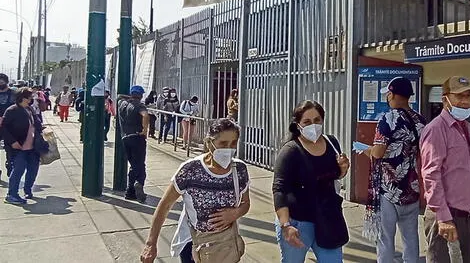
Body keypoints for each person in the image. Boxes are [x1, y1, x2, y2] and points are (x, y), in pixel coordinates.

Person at [140, 118, 251, 263]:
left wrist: (235, 213)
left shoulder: (239, 169)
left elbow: (246, 203)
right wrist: (151, 244)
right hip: (194, 245)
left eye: (233, 143)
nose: (229, 149)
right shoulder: (190, 170)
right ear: (209, 143)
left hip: (226, 244)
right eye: (223, 144)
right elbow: (164, 206)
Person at [272, 100, 350, 263]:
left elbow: (332, 177)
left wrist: (342, 169)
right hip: (299, 222)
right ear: (298, 125)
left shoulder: (331, 143)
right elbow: (279, 189)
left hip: (328, 219)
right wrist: (286, 225)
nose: (313, 125)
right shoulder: (291, 151)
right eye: (307, 122)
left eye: (317, 120)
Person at [362, 77, 427, 263]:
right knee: (411, 238)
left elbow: (378, 152)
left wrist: (366, 150)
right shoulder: (420, 120)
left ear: (392, 94)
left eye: (389, 94)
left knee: (385, 240)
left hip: (388, 189)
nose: (388, 97)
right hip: (412, 188)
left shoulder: (387, 119)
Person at [420, 76, 470, 263]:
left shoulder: (465, 127)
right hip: (446, 216)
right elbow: (431, 175)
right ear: (445, 98)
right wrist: (444, 218)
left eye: (468, 96)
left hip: (465, 216)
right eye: (459, 96)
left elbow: (467, 173)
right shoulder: (436, 129)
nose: (465, 101)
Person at [2, 88, 42, 204]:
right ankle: (12, 195)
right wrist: (12, 142)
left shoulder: (29, 109)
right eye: (30, 97)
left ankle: (28, 190)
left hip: (33, 146)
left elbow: (36, 123)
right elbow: (4, 128)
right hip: (18, 146)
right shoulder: (12, 110)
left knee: (33, 168)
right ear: (24, 98)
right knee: (18, 170)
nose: (32, 99)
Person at [118, 85, 150, 203]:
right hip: (137, 137)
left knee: (133, 165)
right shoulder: (139, 105)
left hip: (125, 138)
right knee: (140, 164)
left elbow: (119, 96)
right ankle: (139, 183)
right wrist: (145, 130)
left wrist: (130, 97)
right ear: (141, 95)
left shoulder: (122, 104)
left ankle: (130, 192)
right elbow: (145, 115)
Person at [0, 73, 16, 179]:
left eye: (2, 82)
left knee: (10, 150)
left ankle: (11, 171)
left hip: (10, 127)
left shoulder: (14, 93)